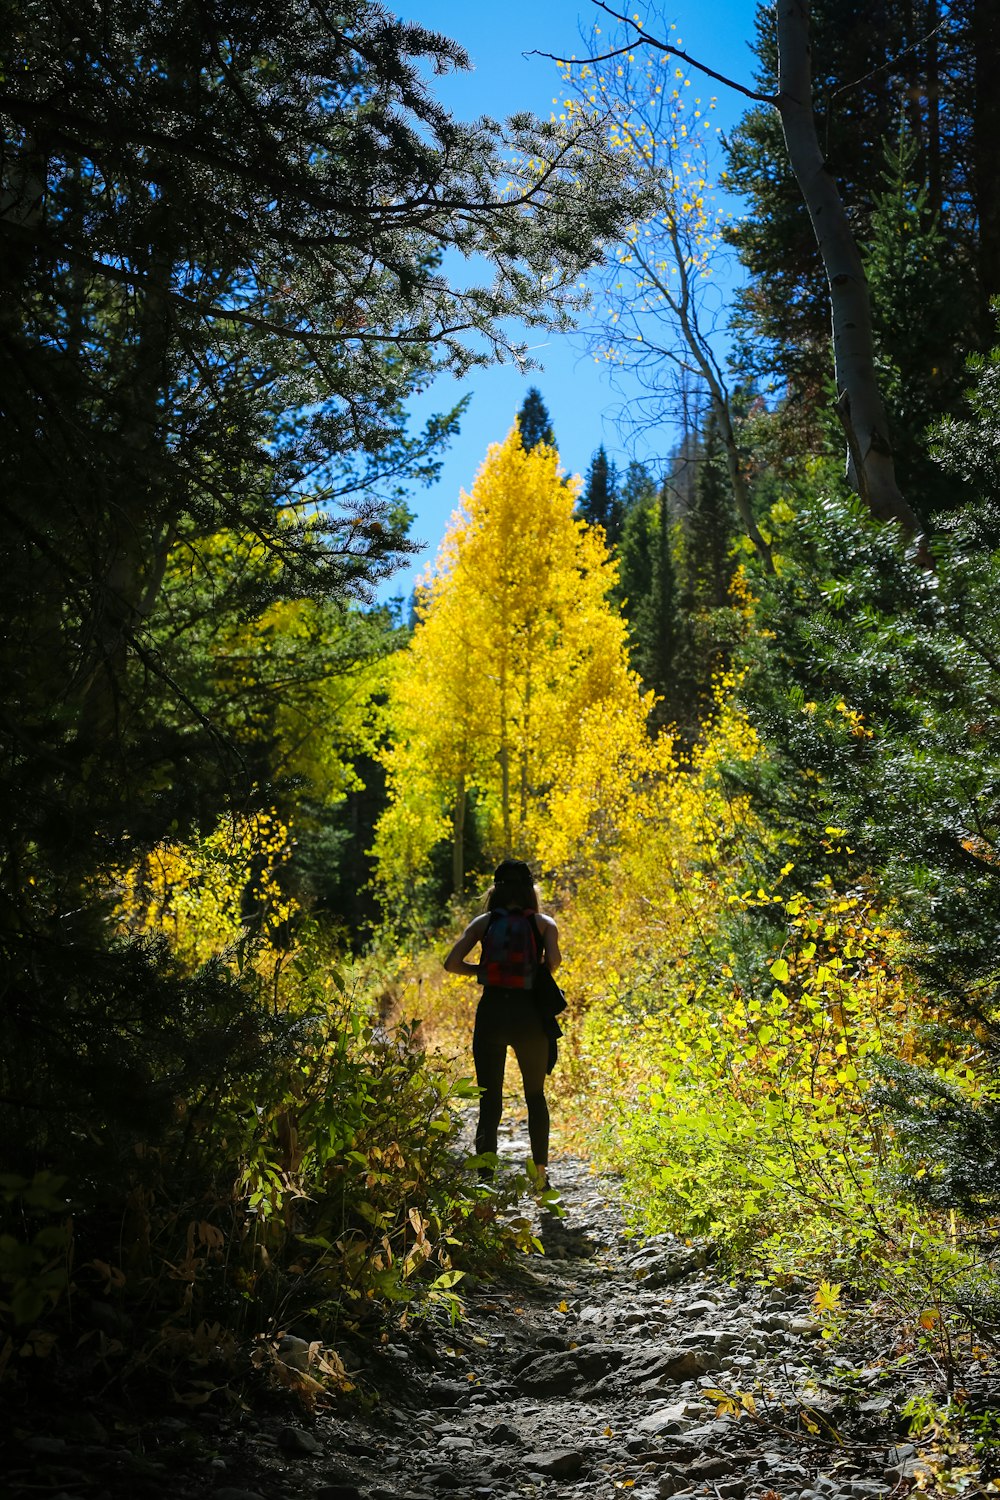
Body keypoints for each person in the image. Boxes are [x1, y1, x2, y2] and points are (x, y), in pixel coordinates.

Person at [443, 858, 561, 1188]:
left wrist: (484, 973)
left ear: (495, 890)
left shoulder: (484, 922)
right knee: (535, 1096)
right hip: (529, 1017)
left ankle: (485, 1182)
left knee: (489, 1100)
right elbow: (553, 963)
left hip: (492, 1013)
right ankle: (540, 1178)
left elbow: (451, 964)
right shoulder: (544, 923)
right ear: (529, 890)